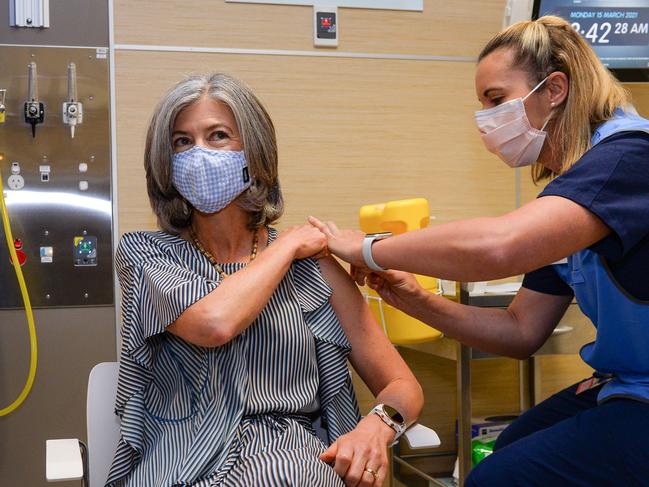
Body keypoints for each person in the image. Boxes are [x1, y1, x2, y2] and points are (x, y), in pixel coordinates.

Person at [309, 15, 649, 486]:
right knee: (502, 455)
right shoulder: (574, 189)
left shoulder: (627, 160)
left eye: (496, 99)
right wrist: (415, 300)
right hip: (625, 383)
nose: (486, 119)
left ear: (554, 90)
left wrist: (369, 248)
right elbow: (520, 330)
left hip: (641, 391)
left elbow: (498, 247)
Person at [106, 73, 423, 487]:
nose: (198, 153)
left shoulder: (315, 267)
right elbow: (214, 322)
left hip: (290, 461)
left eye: (217, 135)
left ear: (254, 154)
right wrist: (284, 248)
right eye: (182, 142)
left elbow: (402, 385)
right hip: (179, 462)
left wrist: (376, 427)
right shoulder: (145, 254)